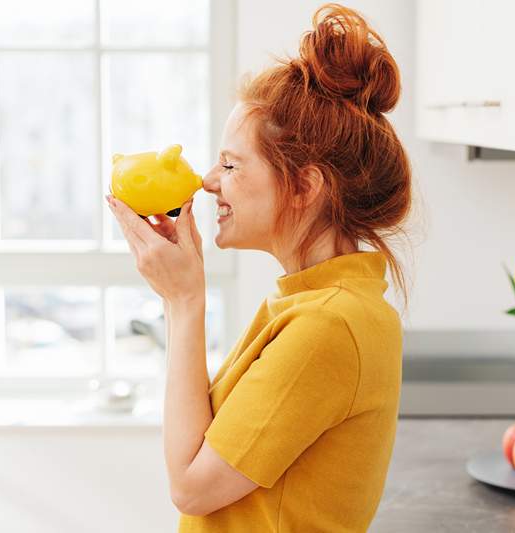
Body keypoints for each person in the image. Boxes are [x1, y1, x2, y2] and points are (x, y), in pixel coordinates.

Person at [107, 3, 414, 531]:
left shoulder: (328, 326)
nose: (207, 180)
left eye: (230, 163)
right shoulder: (314, 304)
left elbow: (191, 488)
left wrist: (183, 301)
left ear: (305, 186)